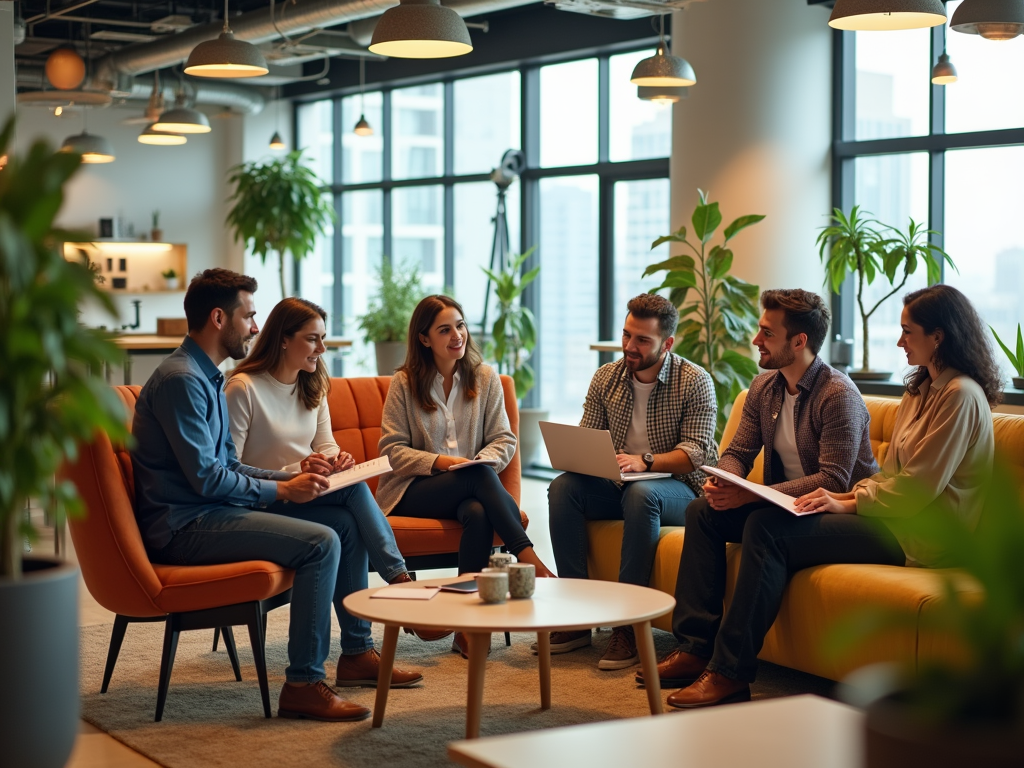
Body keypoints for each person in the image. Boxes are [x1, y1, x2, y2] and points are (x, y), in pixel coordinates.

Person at [651, 286, 997, 709]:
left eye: (908, 331)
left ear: (939, 336)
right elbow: (742, 452)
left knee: (767, 528)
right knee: (703, 510)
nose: (899, 340)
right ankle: (694, 647)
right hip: (881, 514)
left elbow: (911, 489)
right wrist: (729, 482)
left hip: (919, 536)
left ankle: (730, 673)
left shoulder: (955, 396)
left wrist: (842, 501)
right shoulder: (919, 391)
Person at [132, 269, 420, 724]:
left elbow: (229, 466)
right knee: (320, 541)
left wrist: (291, 480)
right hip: (186, 526)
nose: (253, 326)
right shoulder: (182, 380)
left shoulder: (206, 378)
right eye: (248, 316)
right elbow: (207, 480)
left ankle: (357, 653)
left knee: (343, 523)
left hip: (212, 511)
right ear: (218, 318)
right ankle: (304, 683)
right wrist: (282, 486)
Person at [545, 293, 718, 671]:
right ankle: (575, 618)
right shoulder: (607, 376)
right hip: (619, 481)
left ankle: (627, 624)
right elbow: (588, 433)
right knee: (563, 488)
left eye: (642, 340)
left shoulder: (694, 381)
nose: (629, 346)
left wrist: (645, 461)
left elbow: (696, 453)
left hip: (680, 488)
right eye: (626, 335)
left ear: (667, 343)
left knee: (641, 494)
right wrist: (584, 456)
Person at [376, 294, 555, 657]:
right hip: (413, 490)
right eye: (445, 329)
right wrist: (445, 463)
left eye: (460, 325)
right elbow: (391, 451)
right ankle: (527, 557)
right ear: (424, 339)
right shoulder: (404, 383)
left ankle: (464, 626)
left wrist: (478, 463)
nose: (457, 335)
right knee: (476, 479)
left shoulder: (485, 378)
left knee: (477, 509)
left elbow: (504, 440)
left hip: (470, 486)